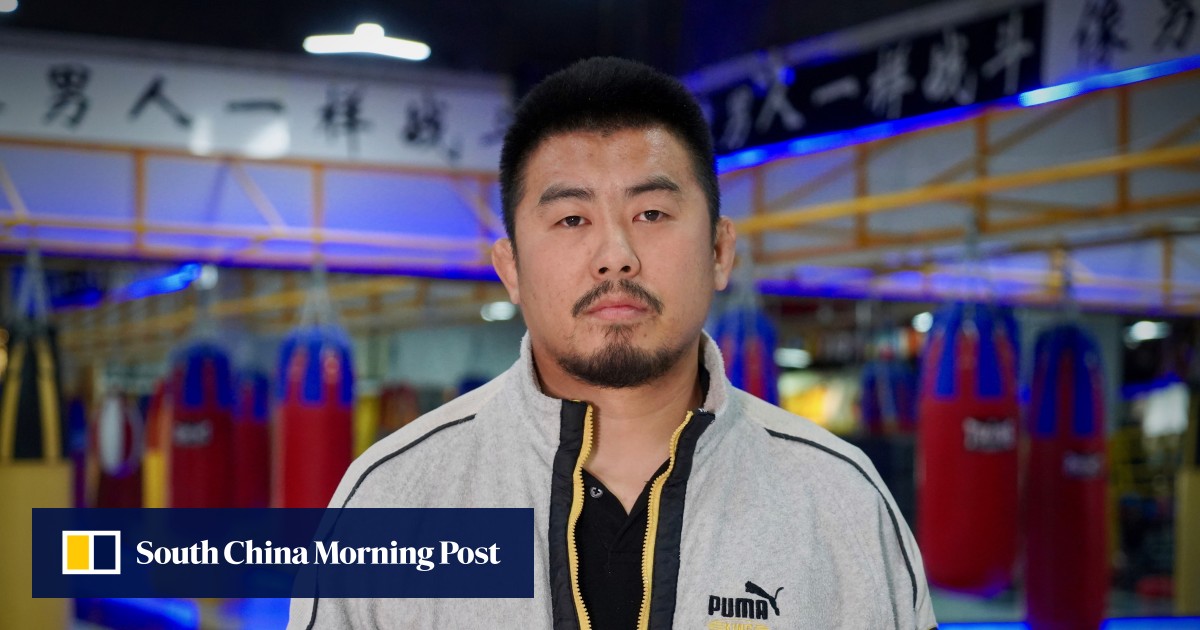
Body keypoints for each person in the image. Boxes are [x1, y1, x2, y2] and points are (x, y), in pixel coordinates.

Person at [290, 57, 936, 630]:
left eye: (651, 214)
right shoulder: (394, 499)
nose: (616, 255)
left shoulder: (839, 501)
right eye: (572, 218)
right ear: (511, 269)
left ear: (719, 251)